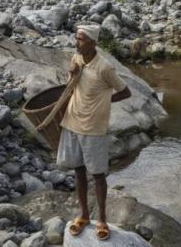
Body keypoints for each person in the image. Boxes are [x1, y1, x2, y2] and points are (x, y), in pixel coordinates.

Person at [56, 24, 132, 241]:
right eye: (76, 38)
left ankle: (102, 220)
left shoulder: (104, 67)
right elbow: (71, 87)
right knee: (78, 171)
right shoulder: (76, 59)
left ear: (93, 42)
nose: (76, 42)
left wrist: (104, 103)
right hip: (72, 121)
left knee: (98, 175)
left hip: (93, 127)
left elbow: (125, 91)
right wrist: (71, 75)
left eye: (81, 39)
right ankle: (84, 216)